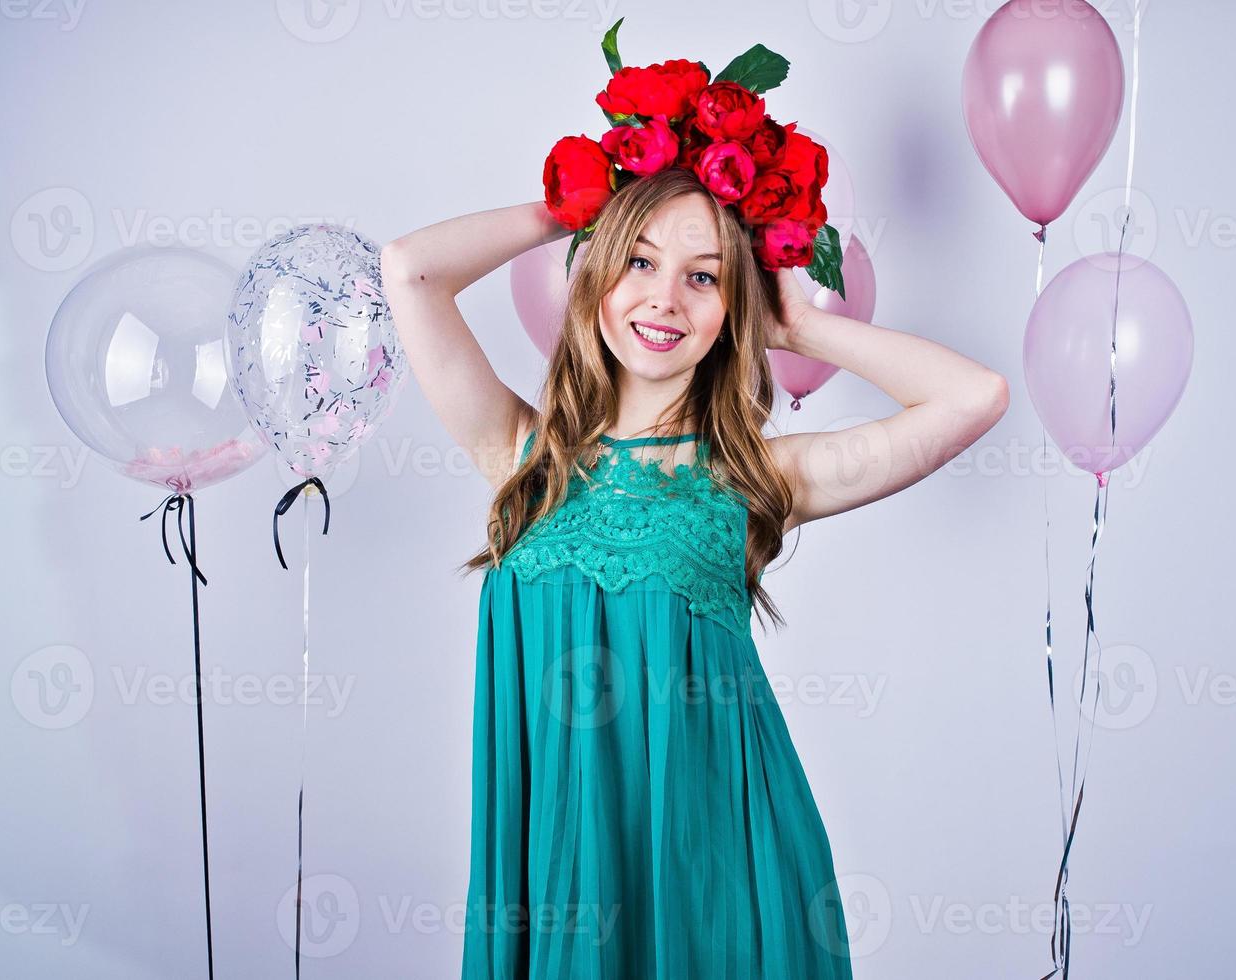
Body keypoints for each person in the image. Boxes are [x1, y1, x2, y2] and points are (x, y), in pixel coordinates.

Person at [381, 165, 1007, 977]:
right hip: (556, 883)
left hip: (715, 881)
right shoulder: (519, 456)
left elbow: (975, 397)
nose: (664, 297)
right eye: (637, 262)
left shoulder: (755, 481)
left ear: (729, 310)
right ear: (597, 274)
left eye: (702, 276)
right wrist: (576, 202)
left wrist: (791, 326)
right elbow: (409, 270)